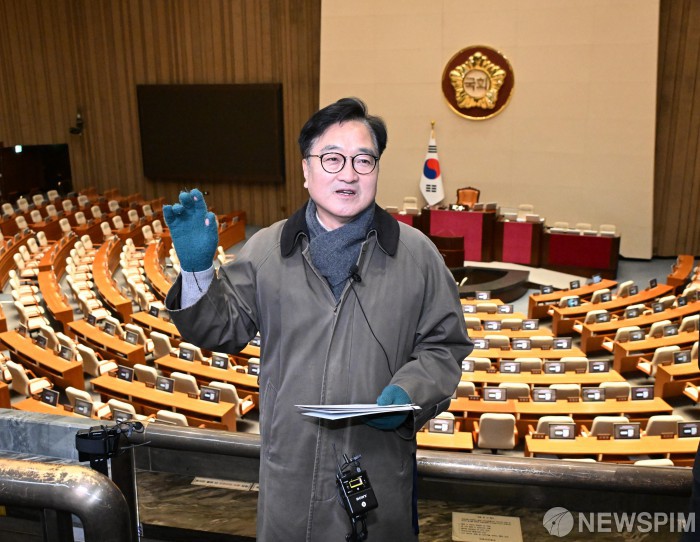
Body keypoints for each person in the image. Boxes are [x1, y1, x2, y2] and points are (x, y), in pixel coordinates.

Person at [164, 97, 473, 541]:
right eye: (332, 159)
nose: (348, 174)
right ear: (307, 171)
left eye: (363, 160)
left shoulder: (418, 255)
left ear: (377, 170)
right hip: (292, 470)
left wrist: (410, 392)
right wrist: (197, 270)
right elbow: (220, 329)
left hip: (377, 468)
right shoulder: (267, 250)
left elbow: (444, 347)